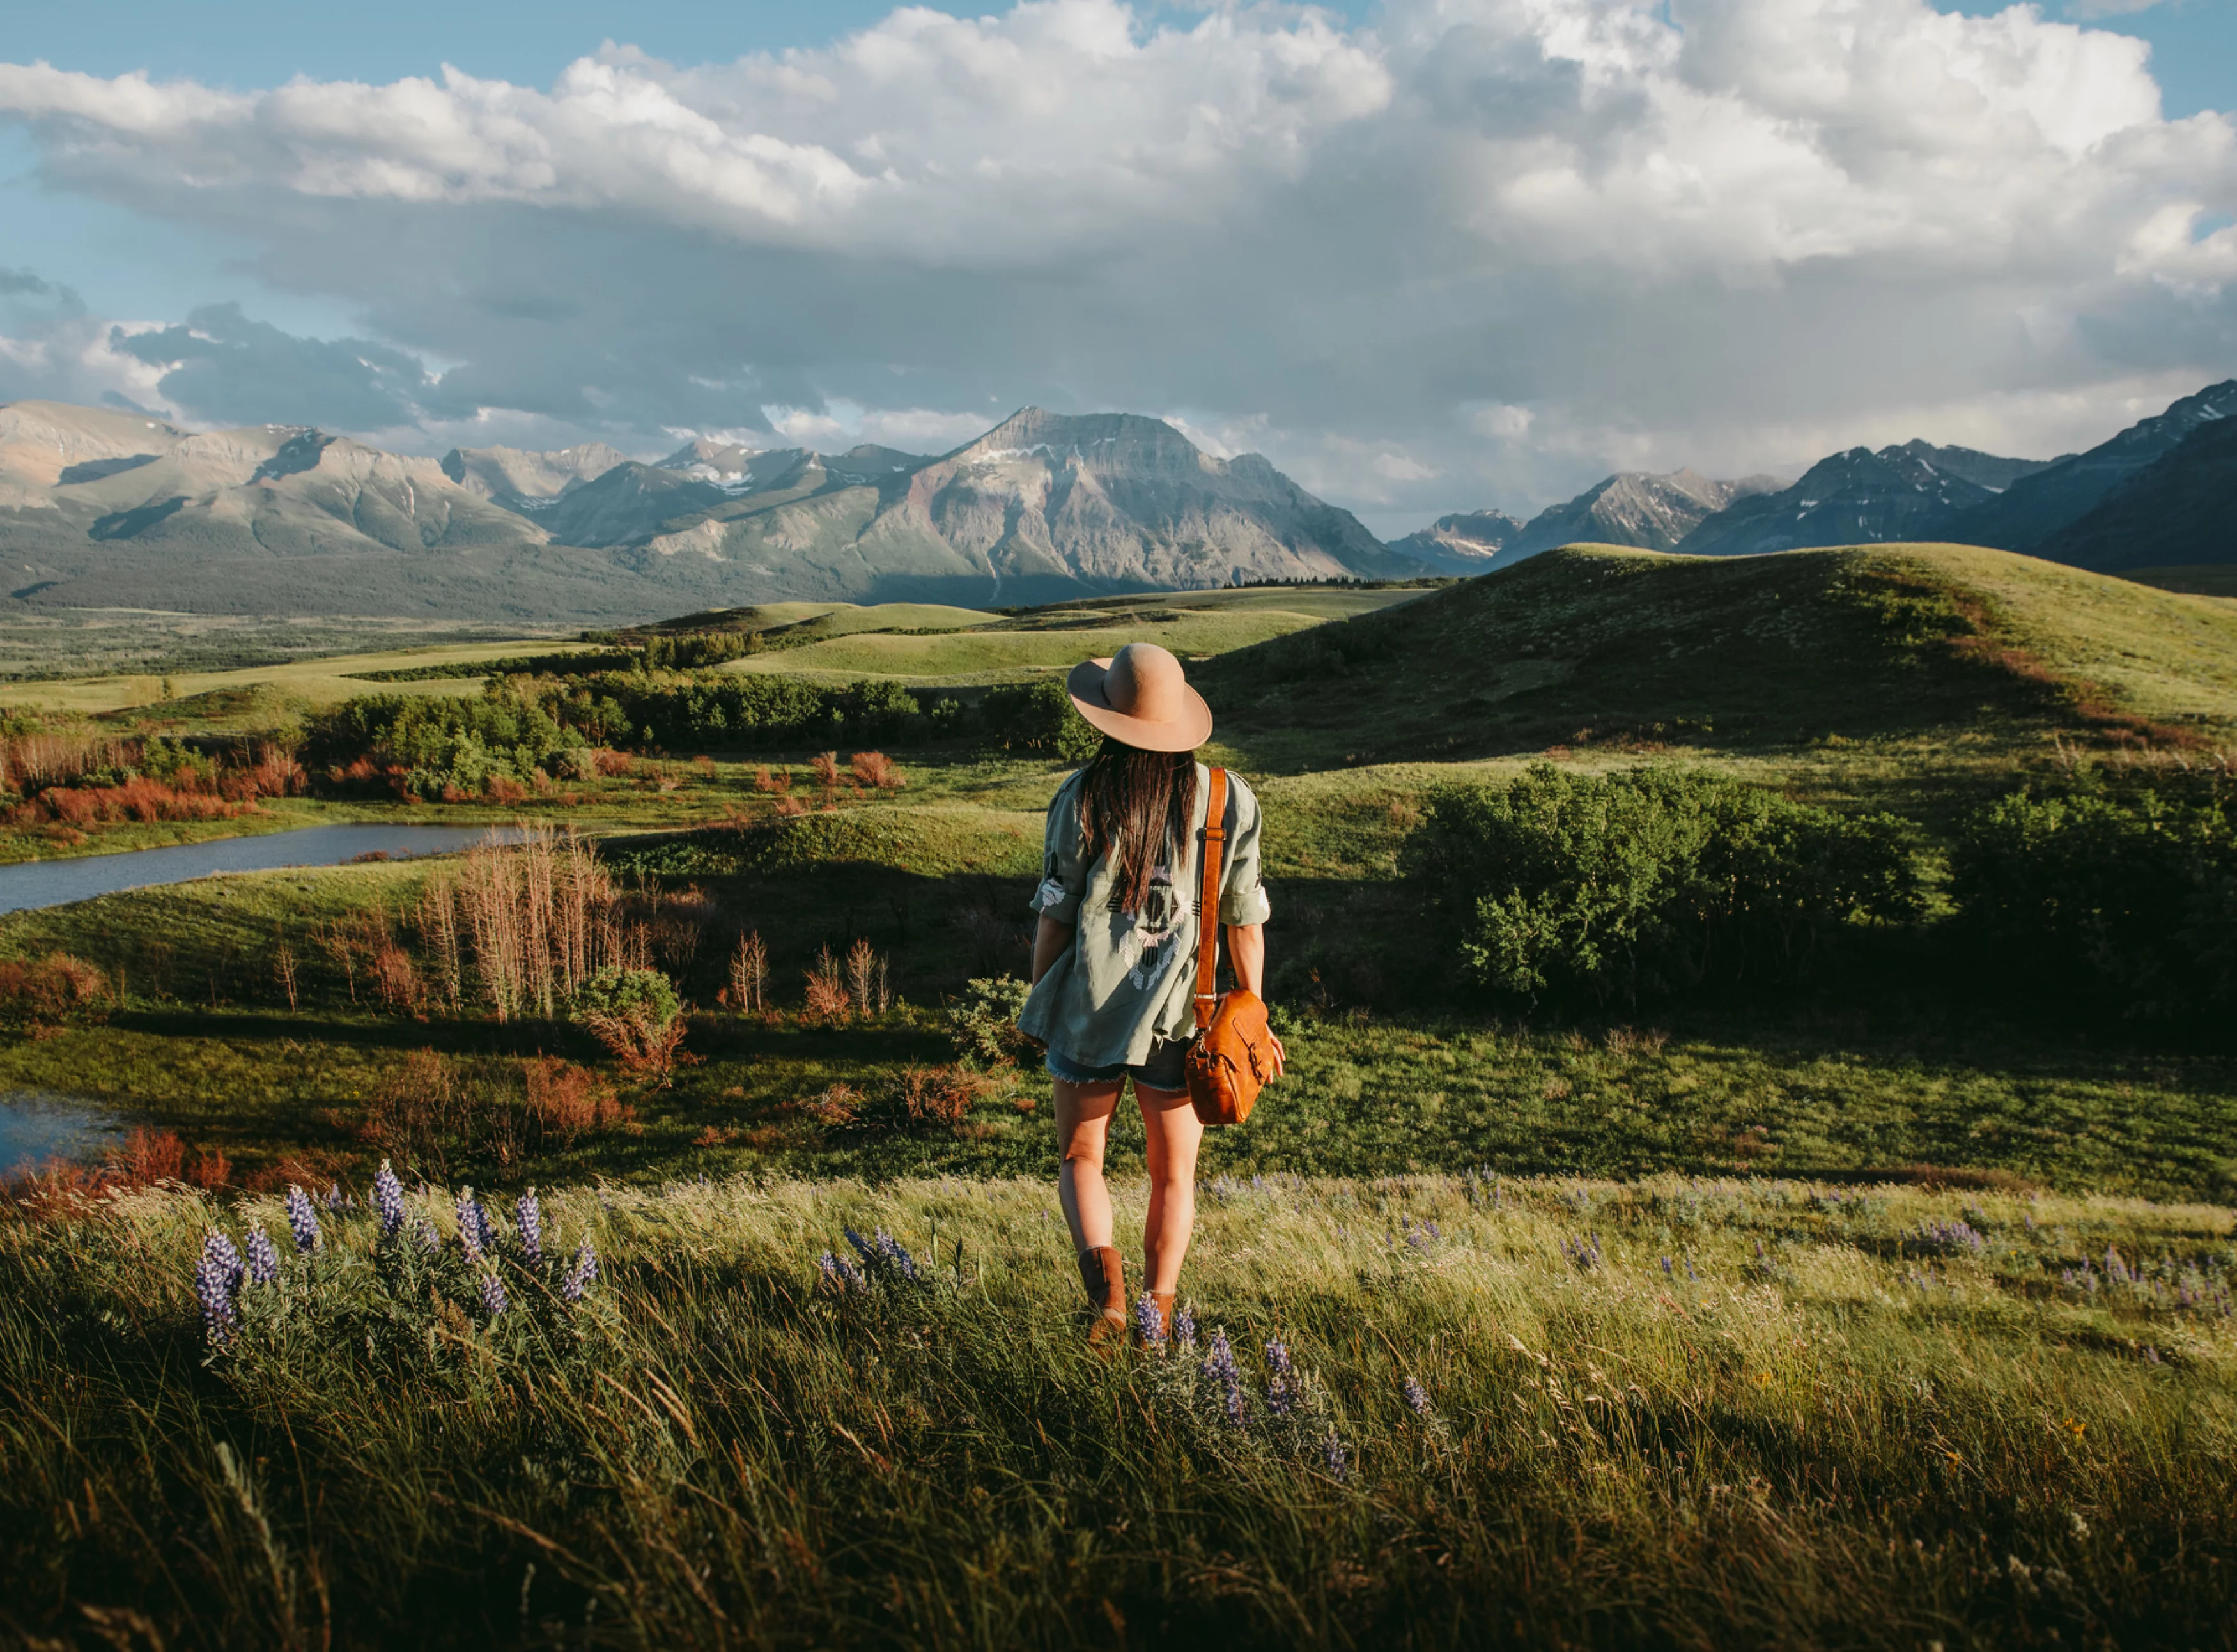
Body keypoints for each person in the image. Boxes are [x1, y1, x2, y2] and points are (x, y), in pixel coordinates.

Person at [1016, 641, 1285, 1348]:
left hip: (1086, 1011)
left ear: (1105, 721)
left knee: (1081, 1158)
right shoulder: (1227, 798)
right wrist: (1249, 1010)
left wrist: (1040, 999)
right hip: (1182, 1020)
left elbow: (1055, 912)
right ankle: (1154, 1317)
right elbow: (1244, 919)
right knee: (1174, 1177)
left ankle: (1105, 1302)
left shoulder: (1079, 796)